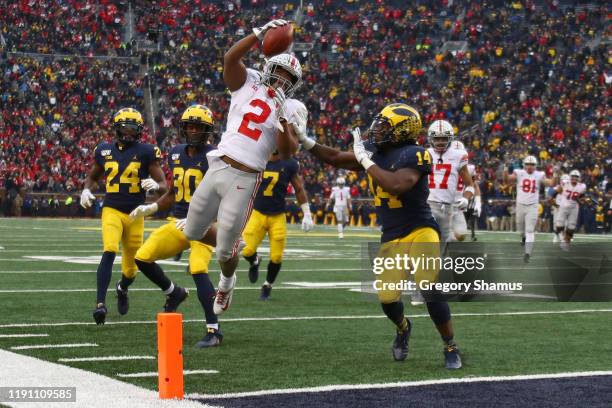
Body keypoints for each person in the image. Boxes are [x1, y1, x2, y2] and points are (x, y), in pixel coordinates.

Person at [296, 102, 462, 369]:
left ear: (402, 130)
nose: (378, 129)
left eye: (385, 125)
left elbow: (396, 185)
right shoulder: (374, 150)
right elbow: (336, 158)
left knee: (429, 286)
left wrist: (364, 160)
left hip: (420, 229)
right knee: (387, 299)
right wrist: (306, 140)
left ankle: (450, 345)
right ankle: (403, 328)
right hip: (392, 234)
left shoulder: (416, 153)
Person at [183, 19, 304, 315]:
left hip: (246, 176)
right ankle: (234, 242)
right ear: (269, 68)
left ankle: (226, 280)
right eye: (279, 72)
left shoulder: (290, 107)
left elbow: (288, 152)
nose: (281, 81)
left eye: (289, 78)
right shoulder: (248, 81)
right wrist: (258, 34)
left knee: (223, 251)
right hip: (219, 165)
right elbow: (229, 58)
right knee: (192, 231)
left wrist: (281, 120)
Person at [129, 105, 223, 348]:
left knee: (198, 267)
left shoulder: (216, 157)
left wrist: (206, 218)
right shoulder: (176, 153)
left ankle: (214, 330)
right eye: (189, 125)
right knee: (142, 256)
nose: (192, 130)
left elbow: (226, 196)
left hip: (205, 224)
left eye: (198, 126)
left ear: (207, 130)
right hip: (178, 220)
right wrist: (151, 208)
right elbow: (173, 193)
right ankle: (173, 292)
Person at [80, 108, 166, 325]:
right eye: (125, 128)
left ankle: (122, 287)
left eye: (133, 129)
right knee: (109, 249)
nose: (128, 133)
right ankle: (100, 304)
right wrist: (86, 189)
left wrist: (156, 185)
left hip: (136, 213)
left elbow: (165, 185)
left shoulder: (147, 151)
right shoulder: (104, 150)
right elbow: (92, 177)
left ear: (139, 131)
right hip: (111, 209)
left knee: (131, 269)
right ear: (117, 128)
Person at [242, 150, 314, 300]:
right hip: (258, 213)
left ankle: (267, 285)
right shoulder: (256, 157)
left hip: (277, 215)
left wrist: (307, 213)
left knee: (276, 257)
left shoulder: (289, 163)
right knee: (246, 250)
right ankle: (255, 261)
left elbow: (299, 189)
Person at [426, 120, 475, 245]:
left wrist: (465, 199)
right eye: (437, 138)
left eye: (444, 138)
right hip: (428, 204)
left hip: (447, 206)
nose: (440, 142)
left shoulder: (458, 155)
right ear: (431, 138)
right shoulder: (425, 154)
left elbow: (470, 185)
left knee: (443, 244)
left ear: (450, 138)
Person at [503, 156, 554, 263]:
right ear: (524, 165)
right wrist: (505, 169)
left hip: (533, 206)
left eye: (532, 165)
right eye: (528, 164)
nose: (530, 166)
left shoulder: (539, 175)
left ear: (535, 166)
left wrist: (555, 176)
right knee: (521, 229)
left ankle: (527, 253)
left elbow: (550, 183)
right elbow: (507, 180)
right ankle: (523, 237)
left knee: (530, 230)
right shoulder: (518, 172)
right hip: (520, 205)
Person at [553, 170, 586, 247]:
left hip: (573, 207)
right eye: (573, 177)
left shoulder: (582, 186)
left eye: (576, 177)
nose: (574, 178)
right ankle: (558, 236)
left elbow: (580, 197)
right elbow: (554, 194)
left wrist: (582, 200)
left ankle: (566, 240)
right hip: (561, 206)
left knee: (570, 225)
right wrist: (554, 203)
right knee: (558, 223)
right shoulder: (564, 185)